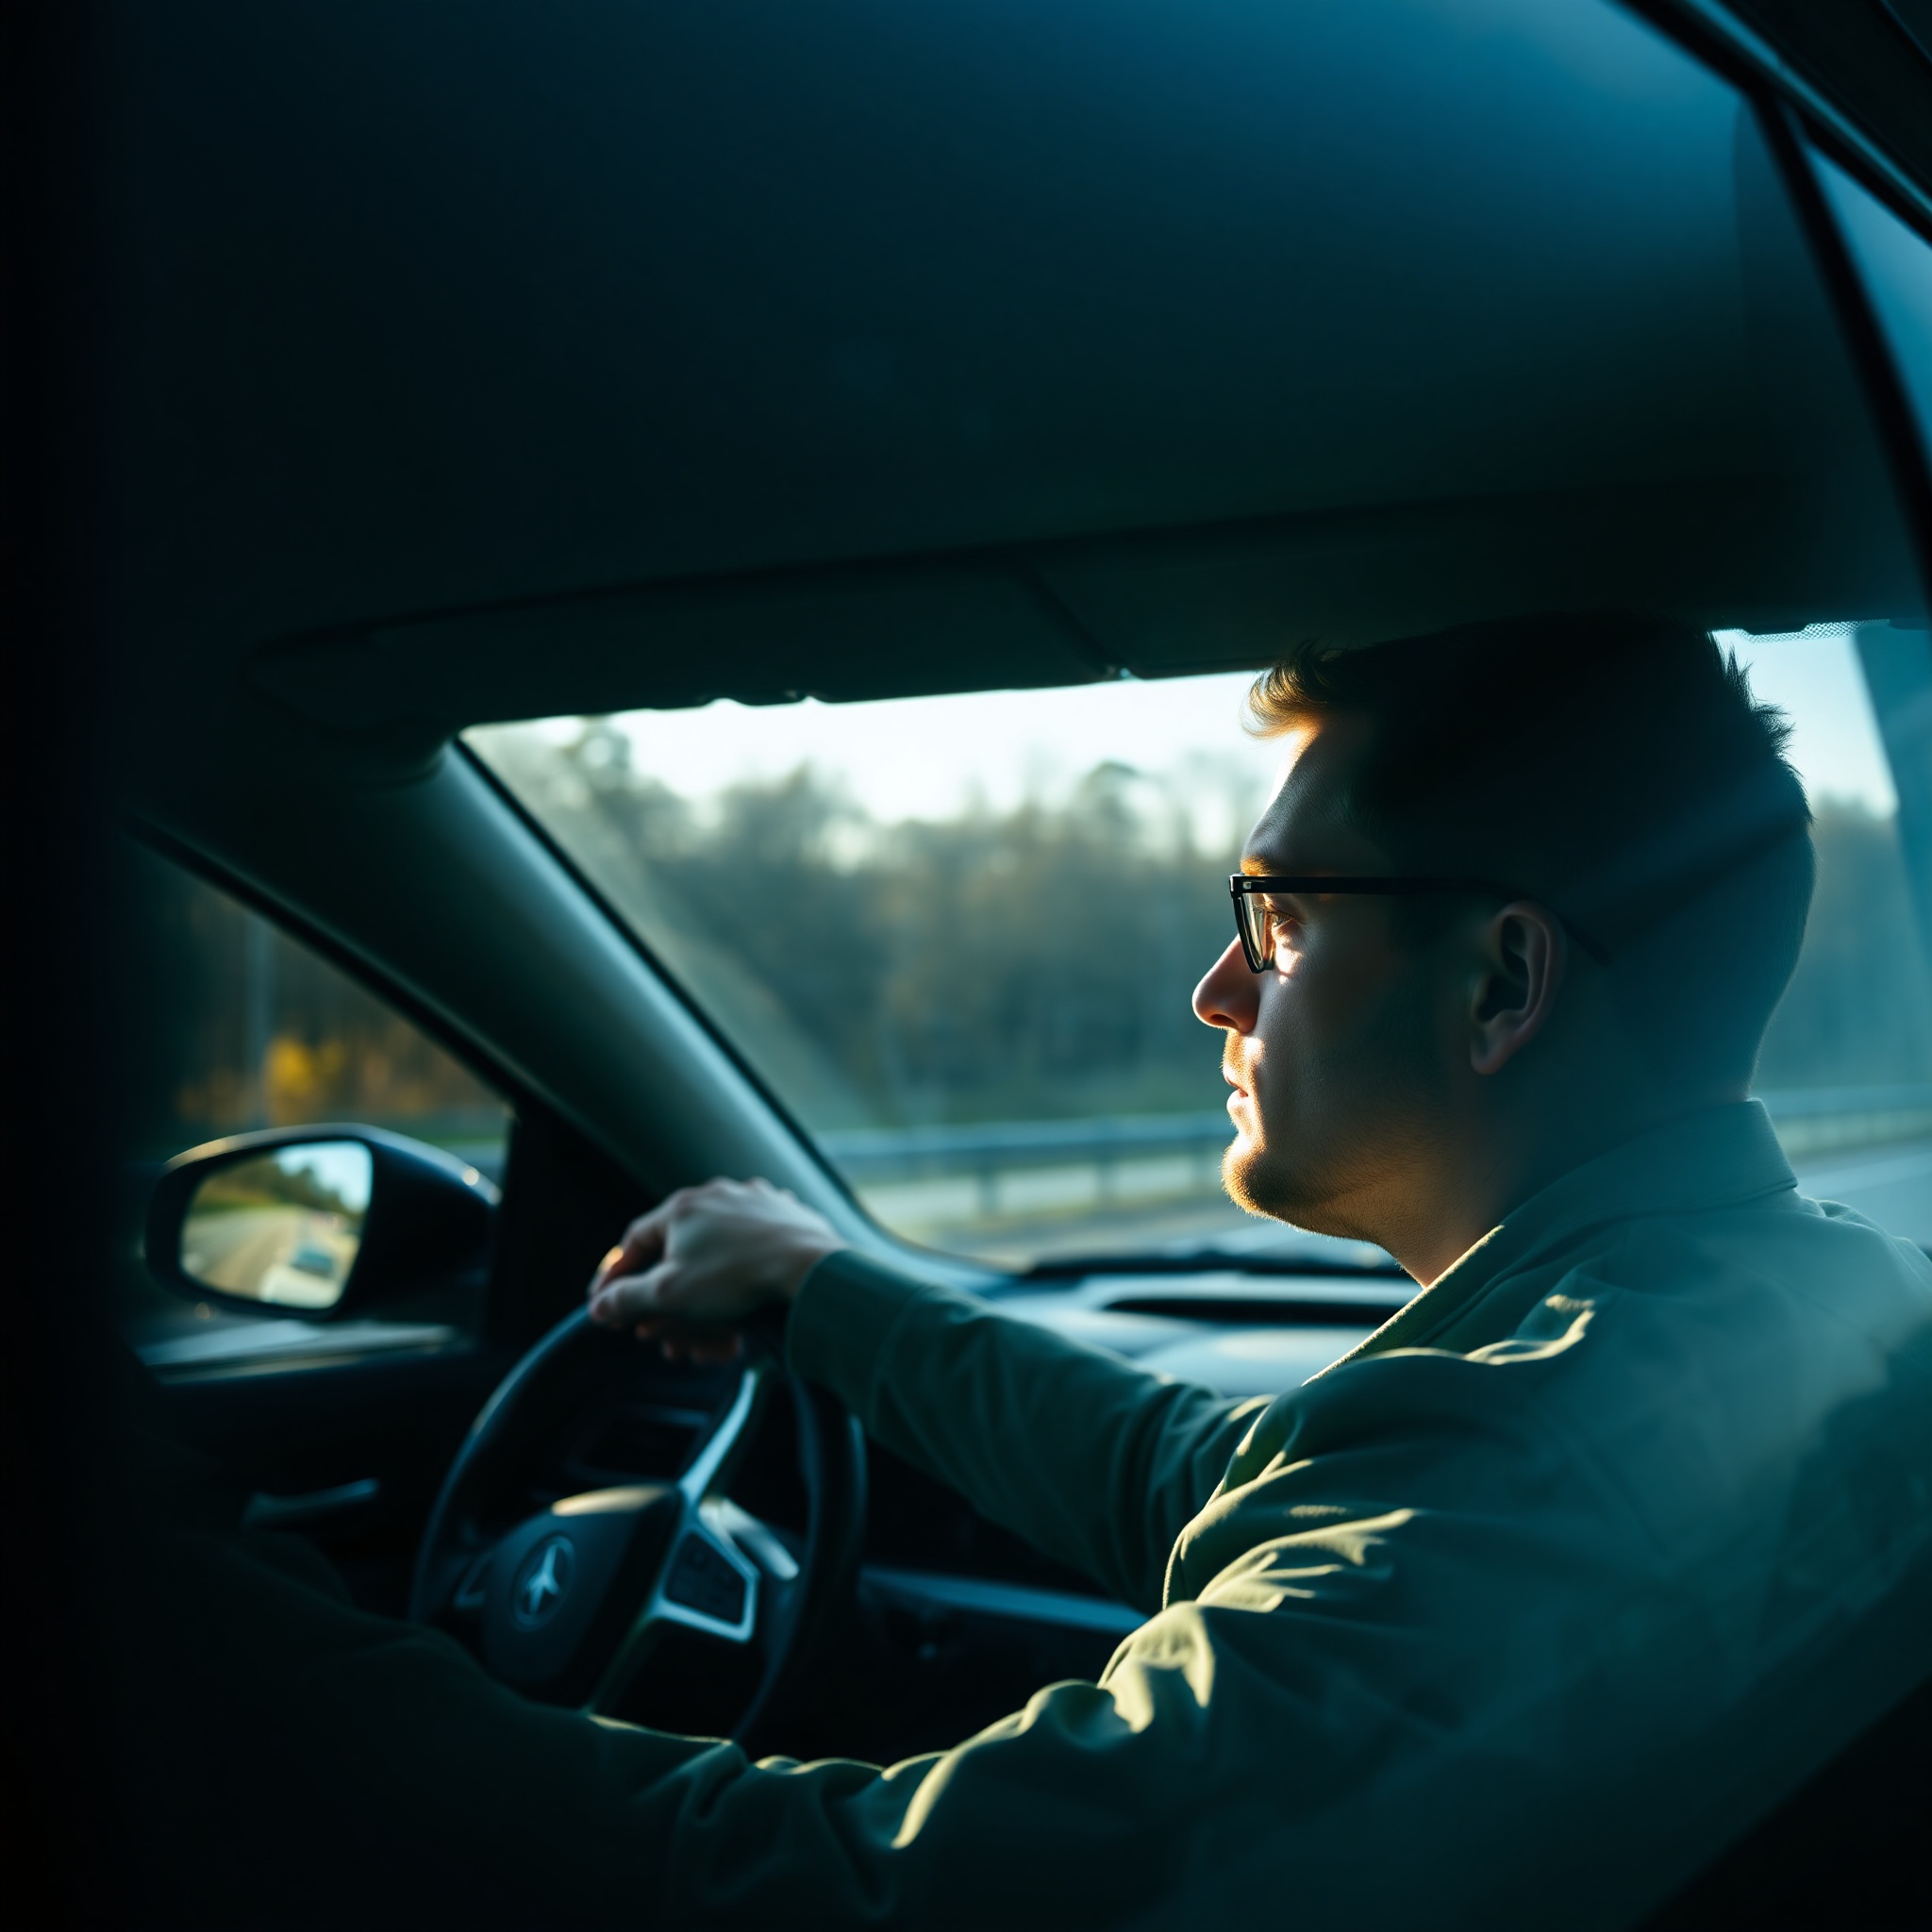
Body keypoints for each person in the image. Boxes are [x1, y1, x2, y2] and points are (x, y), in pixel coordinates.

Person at [129, 617, 1932, 1929]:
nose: (1219, 995)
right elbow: (1208, 1477)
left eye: (1284, 924)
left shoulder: (1521, 1494)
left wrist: (165, 1644)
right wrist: (818, 1285)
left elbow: (825, 1902)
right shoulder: (1785, 1306)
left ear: (1502, 987)